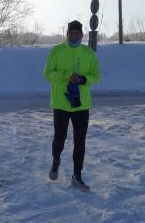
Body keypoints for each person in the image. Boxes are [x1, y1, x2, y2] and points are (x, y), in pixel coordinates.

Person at [43, 20, 101, 190]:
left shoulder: (88, 53)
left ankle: (77, 176)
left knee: (80, 141)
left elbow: (96, 77)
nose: (75, 36)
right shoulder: (56, 51)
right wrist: (66, 75)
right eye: (72, 33)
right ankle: (56, 160)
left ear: (82, 35)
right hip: (61, 103)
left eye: (78, 33)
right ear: (67, 34)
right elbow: (47, 74)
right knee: (59, 138)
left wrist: (84, 79)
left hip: (81, 105)